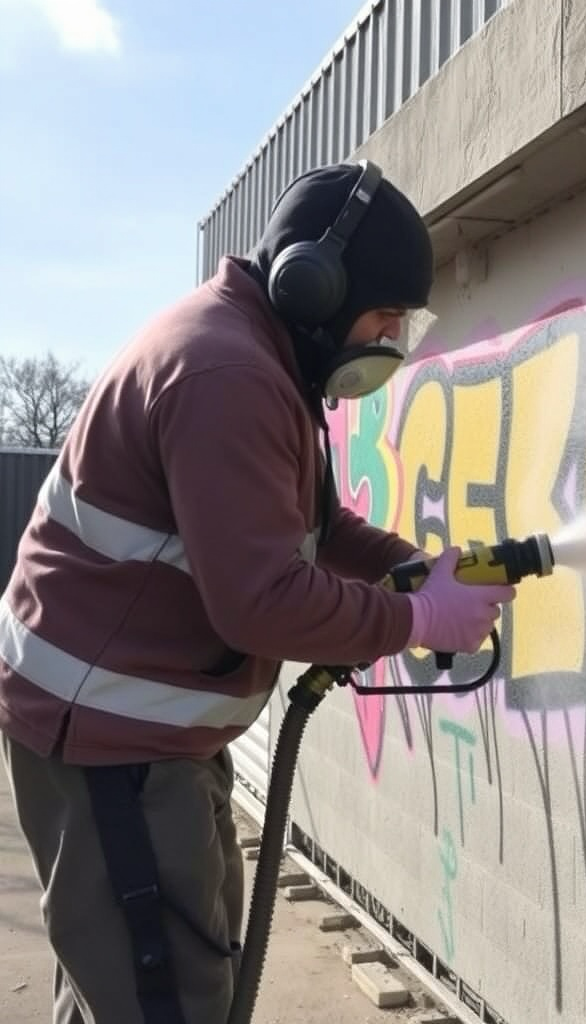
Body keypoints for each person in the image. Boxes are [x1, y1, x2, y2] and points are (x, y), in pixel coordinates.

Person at [0, 160, 515, 1024]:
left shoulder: (258, 354)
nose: (388, 339)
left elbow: (310, 524)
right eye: (386, 316)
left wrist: (410, 569)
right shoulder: (228, 376)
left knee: (131, 984)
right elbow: (260, 598)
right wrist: (418, 616)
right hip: (107, 743)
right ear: (313, 286)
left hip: (135, 732)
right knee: (166, 1001)